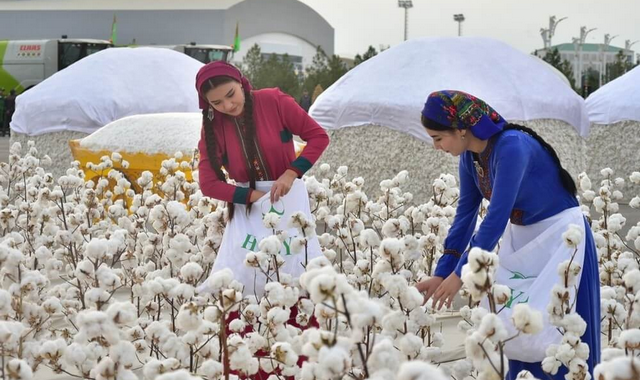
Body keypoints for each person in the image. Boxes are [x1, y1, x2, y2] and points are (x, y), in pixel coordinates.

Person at [415, 90, 600, 379]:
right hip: (522, 241)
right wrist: (442, 272)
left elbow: (496, 218)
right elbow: (464, 217)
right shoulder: (470, 159)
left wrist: (460, 273)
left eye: (438, 138)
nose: (436, 146)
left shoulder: (512, 147)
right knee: (519, 333)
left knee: (563, 331)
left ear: (462, 129)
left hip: (562, 240)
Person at [195, 61, 329, 295]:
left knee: (297, 273)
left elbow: (318, 137)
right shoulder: (212, 126)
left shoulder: (274, 101)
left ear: (241, 82)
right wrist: (252, 197)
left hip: (289, 200)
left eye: (231, 95)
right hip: (246, 209)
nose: (227, 105)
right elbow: (208, 184)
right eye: (216, 103)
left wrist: (291, 172)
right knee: (243, 278)